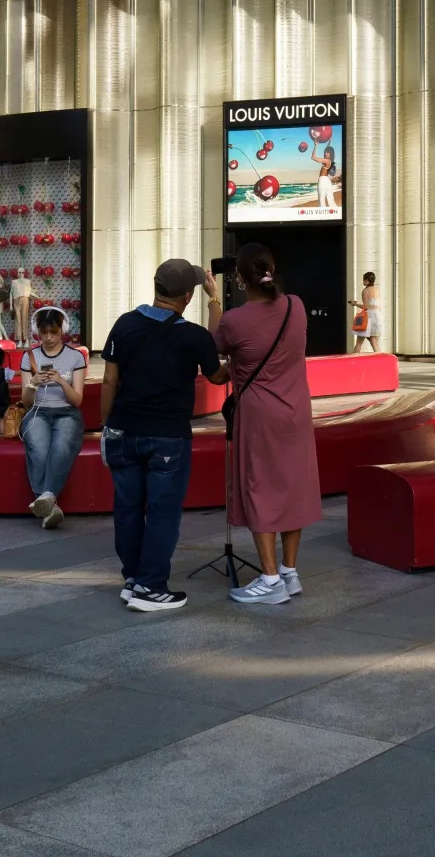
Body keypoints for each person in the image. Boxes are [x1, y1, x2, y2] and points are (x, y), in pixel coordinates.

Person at [101, 259, 223, 612]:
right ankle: (151, 587)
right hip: (168, 437)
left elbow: (110, 380)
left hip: (123, 430)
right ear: (188, 296)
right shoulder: (192, 335)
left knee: (127, 509)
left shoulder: (124, 324)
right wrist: (215, 300)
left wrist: (107, 425)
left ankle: (133, 577)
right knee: (162, 513)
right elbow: (217, 371)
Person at [216, 244, 319, 605]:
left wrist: (215, 300)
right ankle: (289, 572)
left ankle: (270, 579)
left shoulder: (234, 320)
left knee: (259, 487)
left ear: (241, 280)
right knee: (293, 486)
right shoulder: (296, 306)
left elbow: (218, 361)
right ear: (272, 269)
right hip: (296, 412)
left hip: (258, 416)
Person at [19, 306, 88, 529]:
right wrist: (33, 383)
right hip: (38, 411)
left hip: (67, 411)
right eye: (44, 332)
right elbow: (27, 401)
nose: (48, 338)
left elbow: (77, 400)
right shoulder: (30, 356)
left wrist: (60, 381)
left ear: (62, 330)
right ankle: (50, 505)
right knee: (38, 448)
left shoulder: (75, 356)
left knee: (61, 446)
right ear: (37, 331)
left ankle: (46, 496)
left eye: (54, 332)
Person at [349, 271, 384, 354]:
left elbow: (366, 307)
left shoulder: (365, 291)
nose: (363, 282)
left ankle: (354, 360)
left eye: (364, 280)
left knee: (359, 342)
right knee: (374, 341)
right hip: (377, 316)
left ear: (367, 280)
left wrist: (355, 304)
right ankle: (379, 360)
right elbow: (376, 305)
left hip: (368, 317)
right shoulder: (376, 290)